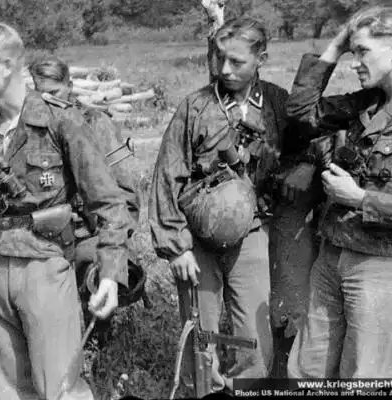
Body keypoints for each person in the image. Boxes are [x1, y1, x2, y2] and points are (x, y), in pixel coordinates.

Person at [0, 22, 134, 399]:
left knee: (60, 389)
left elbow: (108, 201)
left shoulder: (59, 120)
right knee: (5, 392)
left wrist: (110, 273)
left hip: (44, 268)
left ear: (7, 65)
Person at [285, 6, 392, 379]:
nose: (354, 63)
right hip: (333, 255)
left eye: (362, 51)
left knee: (362, 378)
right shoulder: (366, 102)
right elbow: (301, 112)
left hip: (382, 267)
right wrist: (337, 44)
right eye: (352, 52)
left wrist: (359, 199)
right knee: (307, 372)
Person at [149, 17, 312, 394]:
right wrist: (176, 247)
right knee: (199, 335)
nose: (224, 69)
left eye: (236, 61)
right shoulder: (196, 106)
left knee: (254, 335)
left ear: (261, 59)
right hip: (196, 239)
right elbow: (167, 176)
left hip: (252, 233)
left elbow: (306, 146)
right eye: (220, 59)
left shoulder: (276, 103)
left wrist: (303, 165)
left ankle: (246, 388)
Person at [29, 57, 140, 292]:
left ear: (69, 87)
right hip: (42, 244)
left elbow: (125, 193)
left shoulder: (95, 123)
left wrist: (114, 243)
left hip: (88, 237)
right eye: (40, 94)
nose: (48, 101)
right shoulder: (30, 129)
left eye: (54, 93)